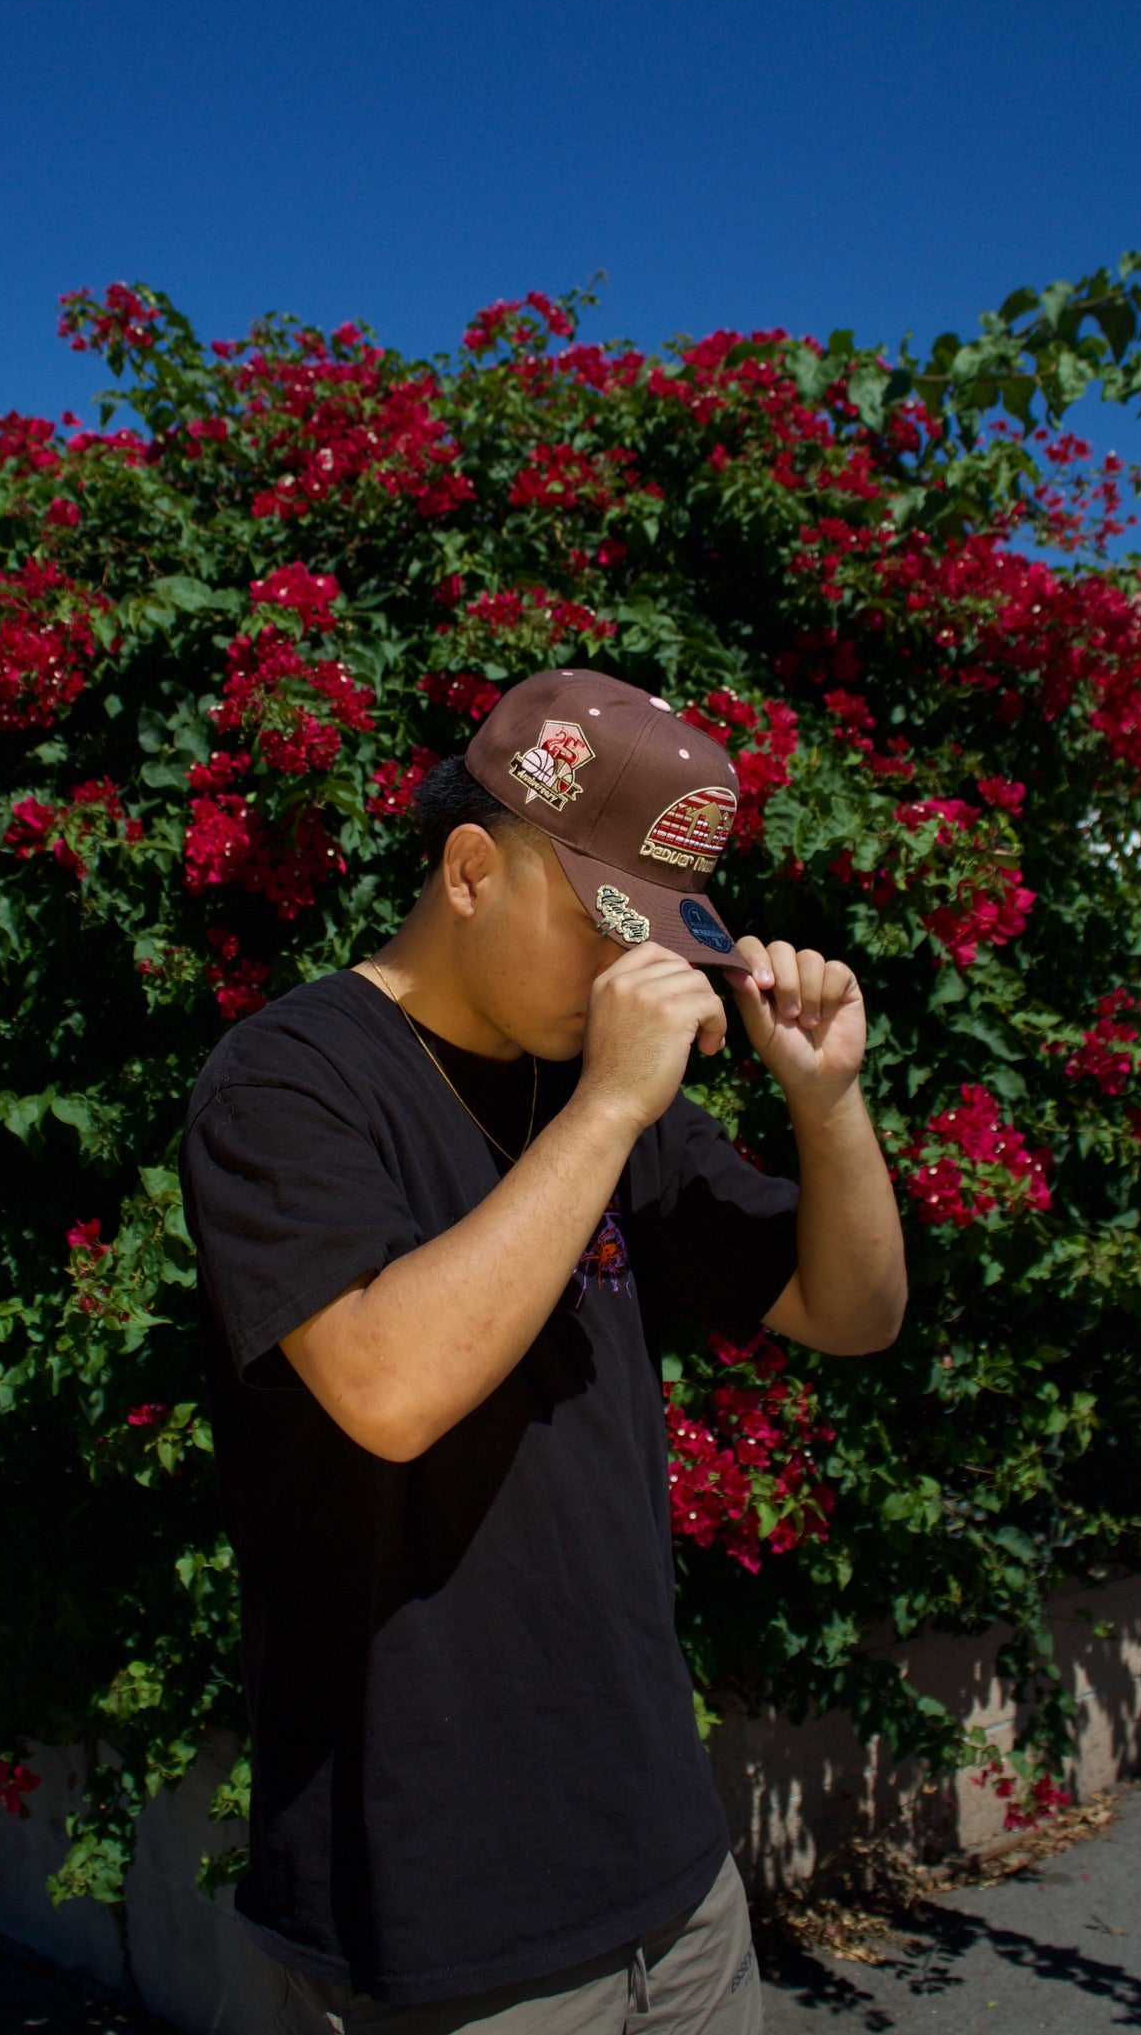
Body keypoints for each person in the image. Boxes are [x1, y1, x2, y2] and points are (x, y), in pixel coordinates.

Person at [181, 667, 906, 2034]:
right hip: (440, 1914)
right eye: (599, 931)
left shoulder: (581, 1082)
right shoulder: (290, 1081)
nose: (631, 982)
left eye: (655, 943)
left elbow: (849, 1312)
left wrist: (827, 1107)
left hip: (668, 1869)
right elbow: (388, 1390)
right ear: (468, 868)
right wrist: (614, 1107)